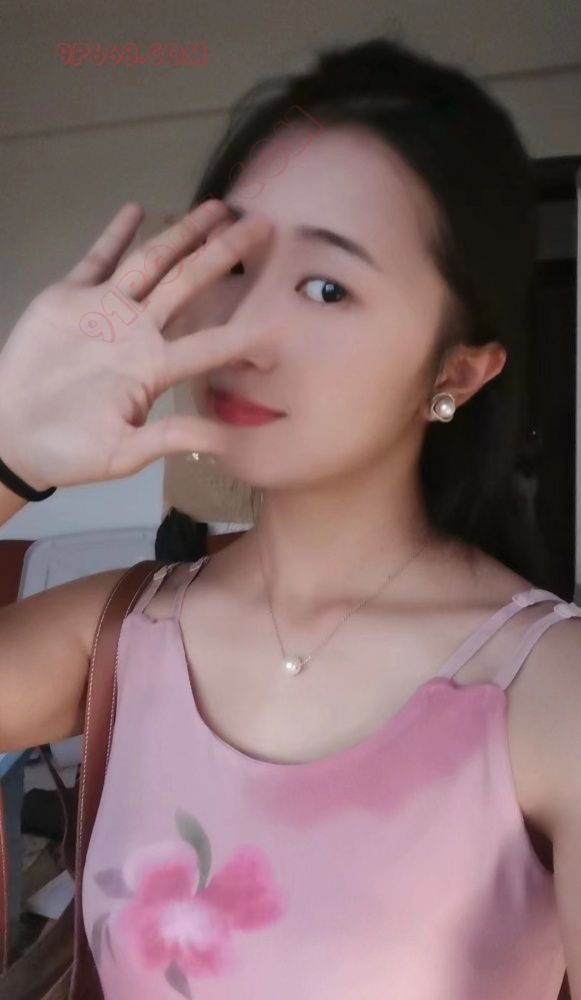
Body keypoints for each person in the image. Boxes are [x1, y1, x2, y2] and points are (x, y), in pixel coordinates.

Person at [0, 35, 579, 1000]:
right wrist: (7, 452)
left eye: (325, 286)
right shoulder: (123, 634)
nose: (245, 333)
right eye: (232, 265)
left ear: (455, 371)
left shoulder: (549, 691)